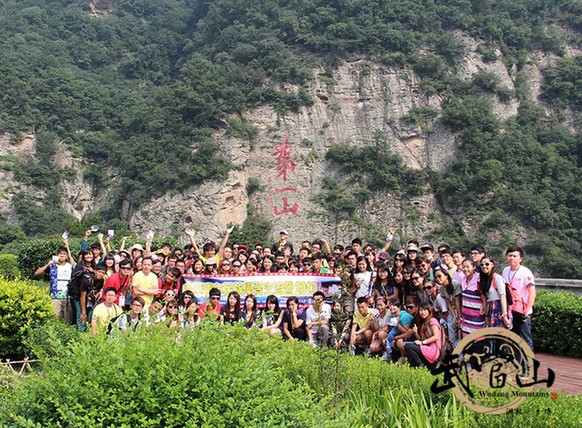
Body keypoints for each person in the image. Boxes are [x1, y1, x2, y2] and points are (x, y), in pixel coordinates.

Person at [502, 245, 536, 351]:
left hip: (522, 311)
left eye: (514, 256)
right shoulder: (505, 270)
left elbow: (532, 293)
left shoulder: (525, 272)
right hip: (510, 310)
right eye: (509, 255)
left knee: (525, 339)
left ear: (520, 258)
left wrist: (527, 310)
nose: (511, 258)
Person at [34, 245, 75, 323]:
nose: (62, 255)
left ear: (67, 256)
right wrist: (47, 264)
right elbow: (37, 273)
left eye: (64, 254)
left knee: (68, 320)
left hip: (68, 296)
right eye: (60, 253)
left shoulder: (70, 267)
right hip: (55, 296)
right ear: (57, 255)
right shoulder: (52, 266)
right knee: (55, 318)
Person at [403, 302, 442, 368]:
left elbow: (436, 337)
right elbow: (421, 339)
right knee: (410, 357)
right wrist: (416, 332)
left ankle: (421, 366)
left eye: (425, 310)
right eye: (421, 310)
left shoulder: (433, 320)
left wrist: (422, 342)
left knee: (408, 346)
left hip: (433, 350)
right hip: (426, 347)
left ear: (429, 311)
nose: (423, 312)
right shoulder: (424, 323)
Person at [479, 256, 512, 329]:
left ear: (492, 265)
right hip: (491, 310)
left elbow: (503, 296)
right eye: (482, 265)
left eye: (487, 264)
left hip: (498, 310)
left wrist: (504, 316)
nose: (484, 266)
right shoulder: (486, 280)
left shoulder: (497, 278)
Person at [460, 260, 486, 337]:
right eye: (463, 267)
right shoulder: (463, 279)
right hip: (465, 317)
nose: (465, 269)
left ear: (474, 267)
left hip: (476, 317)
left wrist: (485, 310)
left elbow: (484, 297)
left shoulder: (478, 279)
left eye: (468, 267)